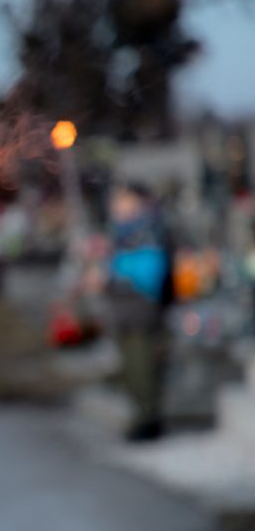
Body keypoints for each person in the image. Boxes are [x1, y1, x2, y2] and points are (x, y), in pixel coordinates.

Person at [106, 182, 173, 442]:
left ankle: (149, 420)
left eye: (123, 200)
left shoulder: (148, 230)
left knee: (143, 369)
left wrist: (117, 271)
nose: (117, 206)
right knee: (131, 372)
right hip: (125, 314)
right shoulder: (121, 233)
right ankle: (141, 417)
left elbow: (151, 272)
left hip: (142, 314)